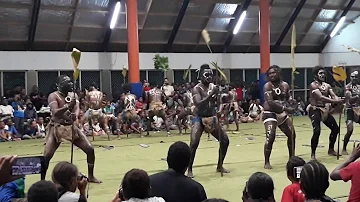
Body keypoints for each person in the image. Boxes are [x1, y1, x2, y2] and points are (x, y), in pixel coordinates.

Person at [42, 75, 101, 183]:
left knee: (90, 149)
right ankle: (42, 180)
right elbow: (55, 112)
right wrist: (68, 107)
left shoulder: (73, 95)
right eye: (66, 82)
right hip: (57, 126)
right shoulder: (53, 96)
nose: (70, 84)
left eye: (70, 82)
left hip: (71, 126)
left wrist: (75, 115)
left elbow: (77, 108)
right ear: (58, 85)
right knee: (47, 155)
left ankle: (91, 176)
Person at [187, 64, 229, 178]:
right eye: (206, 74)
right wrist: (211, 94)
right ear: (201, 76)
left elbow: (220, 101)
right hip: (199, 118)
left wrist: (220, 110)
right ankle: (189, 169)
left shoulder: (214, 87)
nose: (209, 77)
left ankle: (220, 165)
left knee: (225, 140)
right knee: (194, 143)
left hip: (211, 117)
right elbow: (198, 104)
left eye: (211, 74)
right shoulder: (197, 88)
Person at [262, 65, 296, 169]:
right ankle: (266, 161)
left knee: (292, 134)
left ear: (278, 73)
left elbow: (288, 98)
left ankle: (292, 158)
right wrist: (286, 109)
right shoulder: (267, 86)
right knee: (270, 136)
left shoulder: (285, 85)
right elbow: (270, 102)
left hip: (282, 113)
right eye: (270, 73)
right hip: (270, 113)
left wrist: (292, 102)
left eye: (274, 73)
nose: (272, 75)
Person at [308, 66, 344, 160]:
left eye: (323, 73)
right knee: (317, 131)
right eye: (320, 73)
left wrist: (338, 100)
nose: (322, 75)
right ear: (316, 75)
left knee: (335, 129)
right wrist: (335, 102)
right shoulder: (313, 85)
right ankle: (313, 154)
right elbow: (321, 98)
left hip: (325, 110)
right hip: (315, 110)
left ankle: (331, 149)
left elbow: (333, 95)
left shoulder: (327, 85)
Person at [343, 70, 360, 155]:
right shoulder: (347, 87)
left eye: (355, 77)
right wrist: (357, 96)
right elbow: (350, 99)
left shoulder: (359, 87)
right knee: (350, 130)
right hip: (349, 110)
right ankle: (344, 148)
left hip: (358, 110)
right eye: (352, 77)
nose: (353, 78)